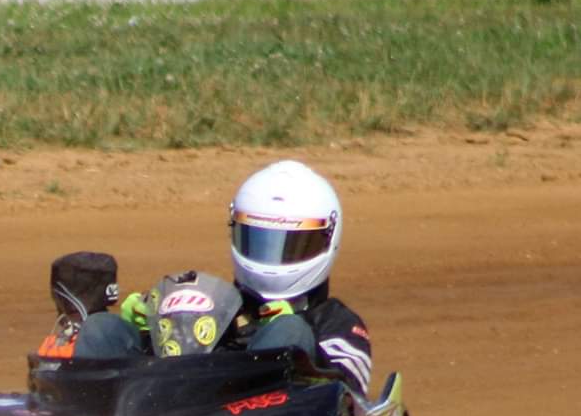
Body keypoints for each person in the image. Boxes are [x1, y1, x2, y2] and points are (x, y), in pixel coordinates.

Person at [74, 160, 372, 394]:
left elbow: (349, 392)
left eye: (290, 246)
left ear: (327, 239)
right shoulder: (223, 308)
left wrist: (294, 350)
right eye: (258, 241)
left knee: (289, 331)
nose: (270, 258)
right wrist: (151, 323)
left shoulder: (336, 322)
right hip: (185, 409)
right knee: (102, 328)